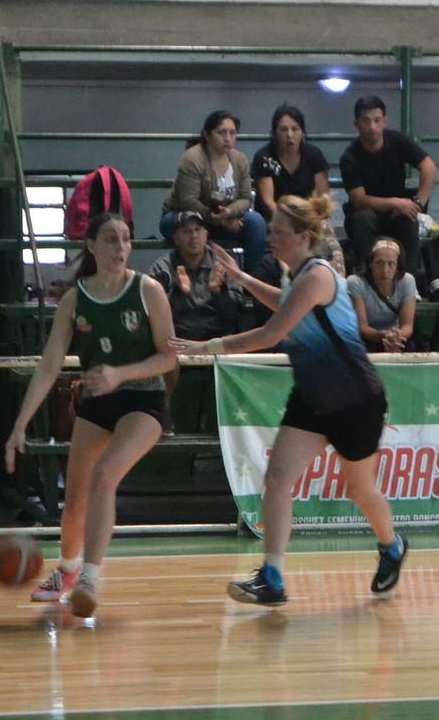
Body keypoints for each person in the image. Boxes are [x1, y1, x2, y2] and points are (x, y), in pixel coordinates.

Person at [170, 194, 409, 606]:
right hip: (313, 398)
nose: (273, 239)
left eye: (279, 233)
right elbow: (285, 305)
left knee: (361, 492)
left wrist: (205, 347)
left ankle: (392, 546)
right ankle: (273, 577)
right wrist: (242, 279)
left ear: (302, 236)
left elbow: (270, 334)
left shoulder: (318, 276)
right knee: (277, 481)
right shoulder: (295, 277)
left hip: (355, 399)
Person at [4, 213, 177, 618]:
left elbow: (168, 357)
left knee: (105, 476)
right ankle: (67, 570)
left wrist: (120, 374)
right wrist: (19, 425)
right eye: (111, 239)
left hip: (144, 399)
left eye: (126, 240)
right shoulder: (75, 299)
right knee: (75, 500)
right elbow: (49, 365)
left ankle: (90, 579)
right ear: (92, 246)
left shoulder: (148, 291)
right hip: (97, 403)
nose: (120, 248)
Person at [147, 210, 245, 429]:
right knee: (162, 352)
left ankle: (225, 433)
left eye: (198, 230)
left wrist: (219, 291)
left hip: (217, 340)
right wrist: (178, 294)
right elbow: (152, 317)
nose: (193, 236)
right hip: (178, 340)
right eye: (186, 231)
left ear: (206, 234)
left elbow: (236, 313)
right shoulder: (162, 268)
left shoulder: (224, 264)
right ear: (176, 238)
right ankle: (165, 424)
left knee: (238, 347)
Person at [159, 110, 269, 276]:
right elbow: (189, 201)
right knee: (178, 224)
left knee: (256, 221)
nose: (227, 138)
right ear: (207, 135)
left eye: (232, 133)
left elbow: (246, 198)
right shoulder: (192, 158)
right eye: (221, 132)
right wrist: (221, 221)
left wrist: (230, 212)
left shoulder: (240, 160)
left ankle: (253, 281)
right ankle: (186, 278)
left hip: (226, 218)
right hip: (185, 216)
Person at [340, 95, 436, 276]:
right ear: (356, 124)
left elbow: (429, 167)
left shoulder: (398, 141)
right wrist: (396, 202)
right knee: (363, 219)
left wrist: (418, 204)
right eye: (366, 121)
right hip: (365, 214)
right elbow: (359, 200)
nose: (372, 127)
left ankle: (410, 281)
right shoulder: (349, 157)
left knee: (408, 219)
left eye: (377, 120)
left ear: (385, 122)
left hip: (397, 214)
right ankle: (367, 278)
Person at [250, 103, 345, 274]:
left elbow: (323, 196)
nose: (290, 135)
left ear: (303, 132)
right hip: (275, 217)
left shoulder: (313, 155)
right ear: (275, 133)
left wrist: (308, 220)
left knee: (331, 244)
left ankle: (332, 285)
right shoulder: (264, 157)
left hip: (309, 217)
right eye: (283, 129)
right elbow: (267, 200)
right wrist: (289, 220)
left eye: (295, 129)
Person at [346, 237, 418, 353]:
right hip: (366, 338)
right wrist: (385, 336)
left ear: (398, 266)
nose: (385, 270)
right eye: (379, 263)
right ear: (370, 263)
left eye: (391, 264)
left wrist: (396, 337)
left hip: (395, 337)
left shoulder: (407, 281)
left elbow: (407, 326)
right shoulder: (355, 282)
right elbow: (362, 327)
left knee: (409, 346)